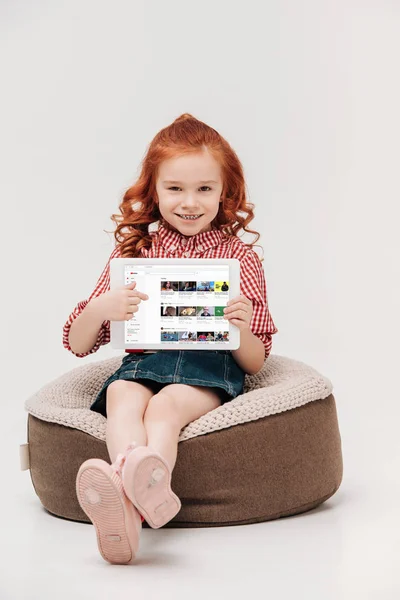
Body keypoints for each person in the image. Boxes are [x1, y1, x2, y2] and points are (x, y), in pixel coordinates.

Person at [62, 113, 278, 565]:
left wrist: (239, 328)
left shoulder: (239, 258)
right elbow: (80, 342)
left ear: (225, 192)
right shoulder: (136, 253)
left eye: (205, 188)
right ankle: (132, 502)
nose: (189, 203)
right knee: (122, 392)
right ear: (153, 191)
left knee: (166, 406)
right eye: (174, 188)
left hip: (208, 365)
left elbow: (256, 360)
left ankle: (134, 497)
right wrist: (102, 308)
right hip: (145, 360)